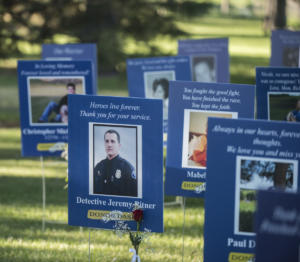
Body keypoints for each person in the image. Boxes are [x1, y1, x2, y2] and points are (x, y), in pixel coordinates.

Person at [93, 129, 137, 197]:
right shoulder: (98, 167)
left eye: (113, 141)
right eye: (107, 141)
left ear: (119, 145)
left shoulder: (127, 168)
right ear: (104, 144)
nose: (109, 145)